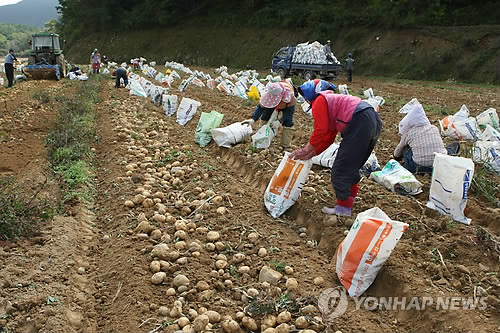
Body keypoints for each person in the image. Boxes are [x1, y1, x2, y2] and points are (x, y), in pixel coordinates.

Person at [290, 91, 382, 216]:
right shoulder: (330, 101)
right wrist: (312, 153)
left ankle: (343, 209)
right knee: (351, 166)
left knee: (341, 168)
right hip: (371, 118)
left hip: (360, 120)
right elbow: (328, 137)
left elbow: (320, 130)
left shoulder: (319, 101)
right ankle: (347, 205)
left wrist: (305, 150)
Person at [393, 103, 459, 174]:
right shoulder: (434, 128)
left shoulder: (408, 133)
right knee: (455, 145)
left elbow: (397, 154)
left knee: (405, 147)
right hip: (440, 166)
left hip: (417, 168)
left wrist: (397, 157)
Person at [242, 81, 296, 149]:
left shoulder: (290, 98)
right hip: (275, 102)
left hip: (286, 105)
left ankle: (285, 145)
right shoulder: (270, 93)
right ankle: (261, 137)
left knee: (288, 123)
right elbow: (260, 107)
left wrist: (280, 121)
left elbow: (288, 114)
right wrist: (253, 119)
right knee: (265, 116)